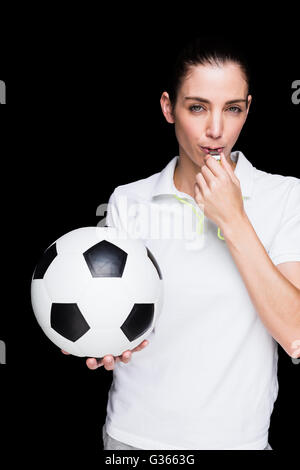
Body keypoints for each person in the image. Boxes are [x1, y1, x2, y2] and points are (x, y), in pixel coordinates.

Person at [63, 36, 300, 450]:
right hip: (133, 441)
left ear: (248, 108)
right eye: (197, 107)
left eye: (232, 109)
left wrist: (234, 218)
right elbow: (114, 313)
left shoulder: (284, 197)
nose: (215, 130)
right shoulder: (129, 200)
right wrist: (102, 342)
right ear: (168, 108)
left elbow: (295, 331)